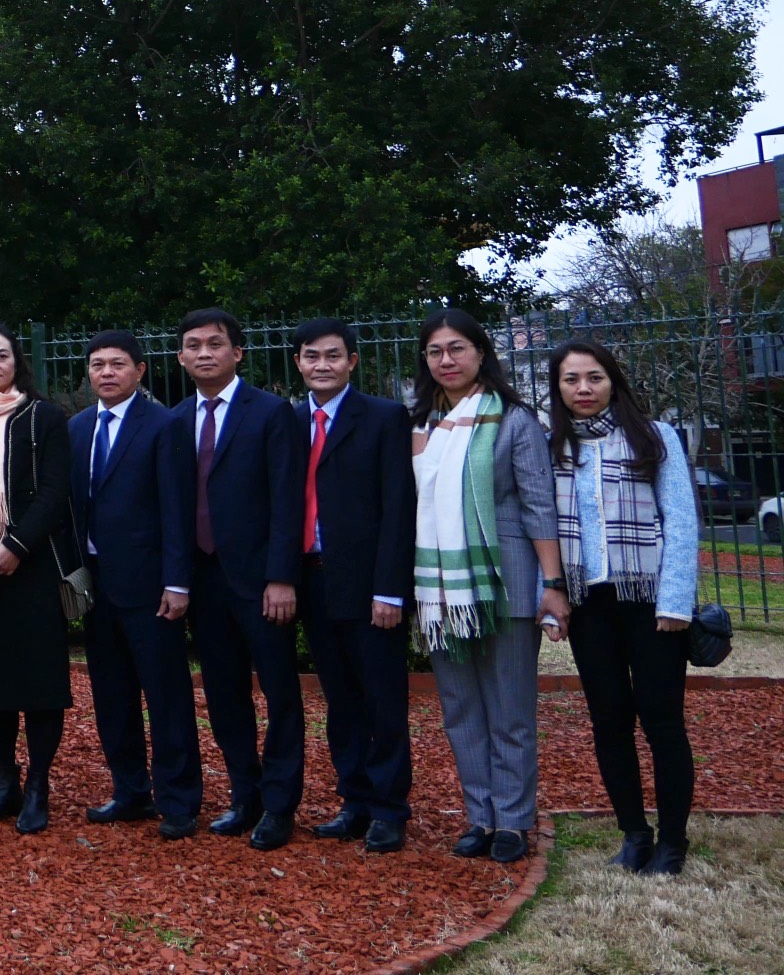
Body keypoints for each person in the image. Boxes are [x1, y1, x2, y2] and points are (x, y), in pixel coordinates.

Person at [409, 307, 568, 866]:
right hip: (443, 590)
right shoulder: (422, 425)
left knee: (510, 710)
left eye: (457, 348)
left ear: (480, 354)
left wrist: (552, 583)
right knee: (459, 708)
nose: (446, 360)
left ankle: (514, 820)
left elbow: (539, 505)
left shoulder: (514, 420)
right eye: (435, 351)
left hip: (507, 583)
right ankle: (479, 816)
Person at [548, 339, 697, 876]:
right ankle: (634, 834)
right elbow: (544, 528)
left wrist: (677, 599)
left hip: (650, 600)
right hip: (590, 603)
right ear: (557, 387)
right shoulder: (554, 446)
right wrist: (554, 598)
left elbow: (680, 517)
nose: (583, 390)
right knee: (608, 720)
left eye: (594, 378)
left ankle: (673, 842)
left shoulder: (653, 437)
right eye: (571, 380)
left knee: (662, 720)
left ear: (613, 381)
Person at [174, 308, 307, 850]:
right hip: (203, 583)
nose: (204, 353)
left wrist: (281, 577)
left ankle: (279, 805)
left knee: (279, 695)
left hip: (259, 582)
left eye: (215, 344)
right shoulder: (176, 418)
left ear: (237, 353)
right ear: (180, 357)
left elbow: (287, 500)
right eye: (193, 345)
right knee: (225, 696)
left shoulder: (273, 413)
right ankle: (243, 795)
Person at [67, 330, 202, 840]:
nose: (106, 372)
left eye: (117, 364)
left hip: (150, 587)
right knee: (111, 695)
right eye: (97, 364)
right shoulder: (78, 428)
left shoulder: (164, 426)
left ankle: (180, 799)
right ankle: (130, 791)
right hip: (94, 586)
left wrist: (177, 582)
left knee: (166, 696)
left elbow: (176, 510)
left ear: (139, 371)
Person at [291, 318, 416, 854]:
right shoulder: (290, 422)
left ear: (352, 362)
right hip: (313, 582)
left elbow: (398, 508)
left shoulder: (385, 418)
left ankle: (389, 809)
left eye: (333, 356)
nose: (323, 365)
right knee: (340, 701)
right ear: (298, 361)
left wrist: (390, 590)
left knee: (382, 700)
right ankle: (355, 801)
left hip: (369, 587)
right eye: (312, 356)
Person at [0, 323, 77, 835]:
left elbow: (55, 489)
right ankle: (5, 782)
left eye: (1, 355)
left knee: (41, 683)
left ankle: (38, 786)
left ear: (17, 362)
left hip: (36, 566)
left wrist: (17, 546)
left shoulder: (44, 416)